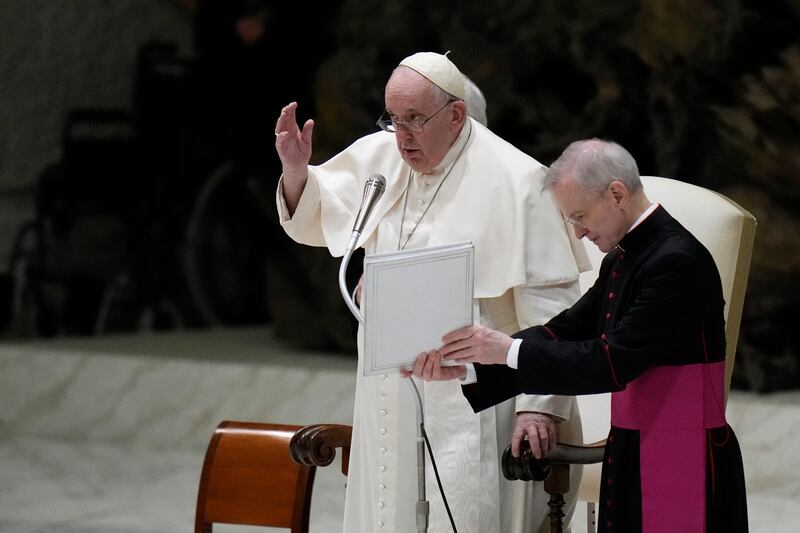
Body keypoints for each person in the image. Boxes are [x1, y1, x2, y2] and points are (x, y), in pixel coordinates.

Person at [274, 51, 591, 533]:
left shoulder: (519, 180)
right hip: (391, 389)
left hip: (474, 398)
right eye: (393, 118)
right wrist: (297, 171)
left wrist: (538, 407)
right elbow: (318, 215)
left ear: (456, 116)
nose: (400, 135)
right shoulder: (381, 158)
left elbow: (556, 312)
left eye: (415, 120)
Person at [403, 139, 749, 532]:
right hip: (634, 446)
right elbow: (566, 329)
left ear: (616, 194)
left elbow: (612, 362)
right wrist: (472, 363)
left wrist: (508, 350)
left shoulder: (676, 262)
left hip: (681, 454)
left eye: (581, 215)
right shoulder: (624, 257)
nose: (580, 232)